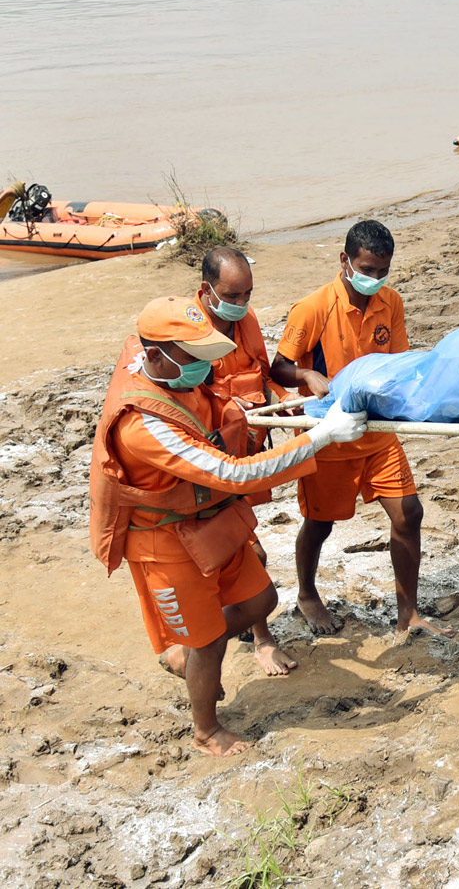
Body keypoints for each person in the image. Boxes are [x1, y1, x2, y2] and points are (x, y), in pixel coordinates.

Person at [88, 296, 366, 756]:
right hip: (165, 540)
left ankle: (189, 649)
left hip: (209, 520)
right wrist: (319, 437)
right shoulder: (142, 424)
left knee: (262, 598)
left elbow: (226, 410)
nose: (204, 366)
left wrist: (293, 411)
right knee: (211, 640)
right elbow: (233, 473)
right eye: (193, 356)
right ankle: (206, 730)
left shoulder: (172, 373)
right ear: (156, 354)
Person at [270, 220, 448, 639]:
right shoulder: (312, 309)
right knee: (321, 522)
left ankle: (409, 614)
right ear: (345, 261)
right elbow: (278, 365)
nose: (374, 280)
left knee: (409, 513)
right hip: (329, 434)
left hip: (377, 432)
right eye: (366, 270)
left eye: (382, 272)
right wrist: (306, 375)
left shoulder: (391, 303)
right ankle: (307, 593)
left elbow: (400, 363)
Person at [196, 246, 297, 676]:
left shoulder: (246, 321)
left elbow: (263, 375)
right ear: (206, 290)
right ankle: (257, 638)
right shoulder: (185, 333)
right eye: (231, 296)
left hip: (249, 450)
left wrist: (286, 404)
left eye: (247, 296)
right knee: (247, 552)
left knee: (245, 550)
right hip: (211, 461)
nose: (240, 305)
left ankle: (235, 631)